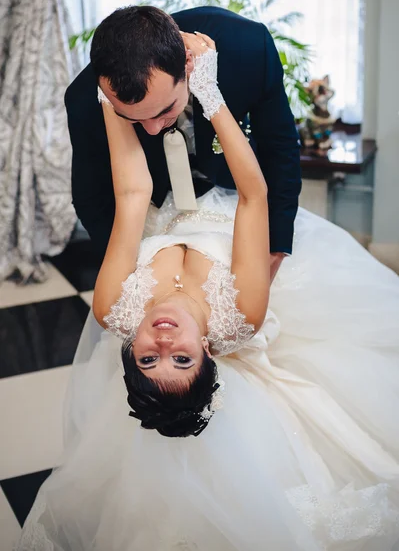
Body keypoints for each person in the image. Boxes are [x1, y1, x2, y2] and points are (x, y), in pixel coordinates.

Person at [16, 34, 399, 550]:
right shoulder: (240, 313)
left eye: (150, 362)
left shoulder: (114, 307)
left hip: (166, 207)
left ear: (131, 352)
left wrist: (113, 102)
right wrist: (209, 94)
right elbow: (252, 195)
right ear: (208, 353)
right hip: (226, 214)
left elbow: (133, 195)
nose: (165, 345)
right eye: (182, 361)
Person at [66, 5, 301, 281]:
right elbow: (90, 195)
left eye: (164, 111)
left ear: (187, 63)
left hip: (232, 198)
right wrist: (126, 271)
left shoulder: (249, 49)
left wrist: (276, 246)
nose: (152, 130)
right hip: (153, 216)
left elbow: (280, 146)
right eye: (132, 118)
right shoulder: (83, 100)